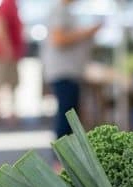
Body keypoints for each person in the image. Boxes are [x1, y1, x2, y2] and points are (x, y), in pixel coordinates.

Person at [41, 0, 102, 138]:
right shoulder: (59, 11)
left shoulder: (65, 11)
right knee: (67, 117)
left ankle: (63, 149)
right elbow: (58, 39)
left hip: (69, 72)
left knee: (69, 116)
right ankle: (61, 151)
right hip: (63, 72)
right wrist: (86, 33)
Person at [0, 0, 25, 123]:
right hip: (3, 54)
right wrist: (6, 48)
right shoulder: (7, 5)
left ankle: (10, 112)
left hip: (11, 53)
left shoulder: (12, 4)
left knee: (12, 83)